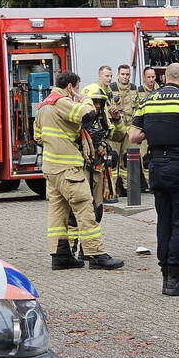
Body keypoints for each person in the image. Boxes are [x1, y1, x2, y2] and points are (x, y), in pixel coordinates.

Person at [129, 63, 179, 296]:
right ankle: (174, 279)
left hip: (156, 168)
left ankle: (165, 276)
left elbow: (134, 136)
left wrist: (154, 132)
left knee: (163, 221)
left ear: (164, 77)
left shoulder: (148, 100)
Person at [34, 71, 123, 271]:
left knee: (58, 212)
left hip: (51, 168)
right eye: (76, 89)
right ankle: (95, 253)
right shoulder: (62, 102)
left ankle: (60, 255)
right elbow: (87, 115)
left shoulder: (42, 105)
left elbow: (38, 137)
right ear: (70, 87)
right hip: (68, 168)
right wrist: (85, 100)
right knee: (85, 206)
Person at [73, 83, 126, 243]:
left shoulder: (103, 121)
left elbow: (118, 136)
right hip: (80, 169)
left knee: (97, 209)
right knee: (79, 208)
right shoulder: (76, 118)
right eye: (93, 102)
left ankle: (88, 248)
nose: (96, 106)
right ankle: (73, 245)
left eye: (99, 102)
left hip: (97, 170)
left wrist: (117, 119)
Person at [109, 64, 139, 195]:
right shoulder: (111, 89)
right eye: (123, 74)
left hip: (129, 129)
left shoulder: (134, 89)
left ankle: (128, 189)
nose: (125, 77)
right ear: (118, 75)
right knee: (113, 159)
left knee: (128, 160)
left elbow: (138, 108)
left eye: (127, 74)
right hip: (116, 130)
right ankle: (112, 189)